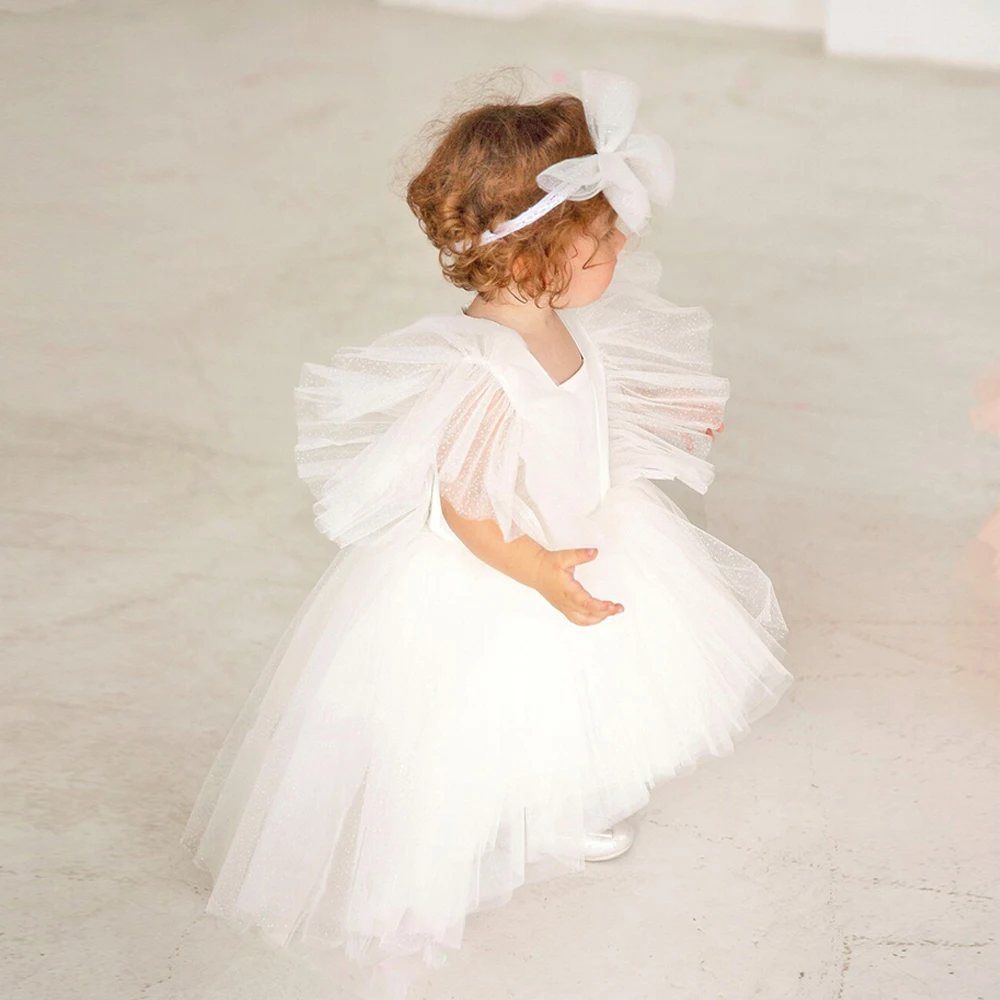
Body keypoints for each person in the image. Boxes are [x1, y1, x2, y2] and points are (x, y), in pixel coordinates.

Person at [180, 69, 794, 999]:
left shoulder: (564, 321)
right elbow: (465, 502)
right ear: (521, 259)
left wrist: (666, 414)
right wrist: (533, 567)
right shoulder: (480, 368)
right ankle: (480, 822)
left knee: (593, 679)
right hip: (505, 565)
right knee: (487, 706)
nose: (615, 260)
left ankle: (567, 797)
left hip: (585, 527)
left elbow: (589, 398)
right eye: (595, 252)